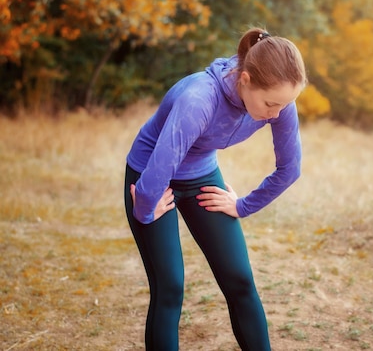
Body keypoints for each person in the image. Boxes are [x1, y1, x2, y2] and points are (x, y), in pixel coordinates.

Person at [123, 27, 306, 351]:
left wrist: (243, 205)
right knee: (170, 288)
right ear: (246, 79)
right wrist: (145, 209)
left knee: (240, 280)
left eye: (283, 105)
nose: (276, 114)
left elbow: (290, 169)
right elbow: (157, 169)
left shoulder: (279, 99)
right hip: (151, 177)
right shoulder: (199, 98)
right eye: (270, 104)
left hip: (201, 174)